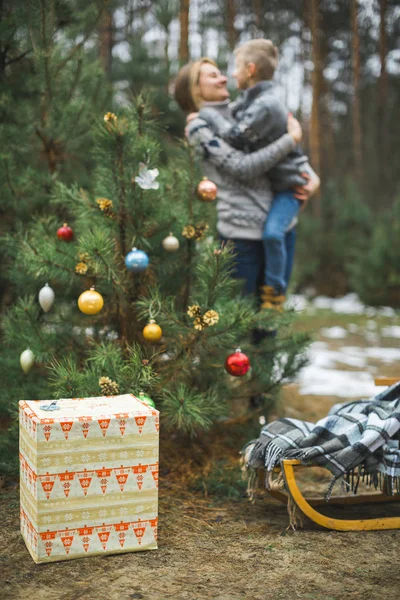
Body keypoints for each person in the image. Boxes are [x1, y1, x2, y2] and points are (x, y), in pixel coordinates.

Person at [174, 58, 318, 319]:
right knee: (243, 326)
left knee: (271, 323)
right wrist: (291, 139)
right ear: (195, 89)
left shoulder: (245, 113)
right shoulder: (199, 127)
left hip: (281, 228)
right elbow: (242, 167)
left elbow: (287, 160)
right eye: (213, 75)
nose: (223, 78)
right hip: (242, 236)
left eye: (221, 74)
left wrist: (311, 178)